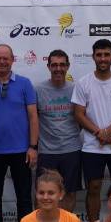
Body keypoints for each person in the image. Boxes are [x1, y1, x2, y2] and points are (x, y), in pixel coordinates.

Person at [71, 39, 111, 222]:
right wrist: (99, 133)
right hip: (92, 147)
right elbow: (79, 114)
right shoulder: (83, 83)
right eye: (99, 55)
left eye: (106, 54)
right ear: (93, 57)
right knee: (94, 187)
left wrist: (108, 131)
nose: (103, 58)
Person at [0, 44, 39, 222]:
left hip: (22, 151)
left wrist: (33, 147)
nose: (2, 62)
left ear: (12, 60)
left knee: (24, 199)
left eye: (6, 58)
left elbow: (33, 116)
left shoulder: (25, 84)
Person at [35, 50, 83, 211]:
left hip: (71, 149)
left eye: (62, 65)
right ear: (48, 66)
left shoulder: (76, 89)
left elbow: (82, 118)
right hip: (46, 151)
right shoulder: (38, 90)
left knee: (69, 193)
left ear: (68, 66)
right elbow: (33, 120)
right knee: (43, 194)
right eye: (54, 65)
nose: (58, 68)